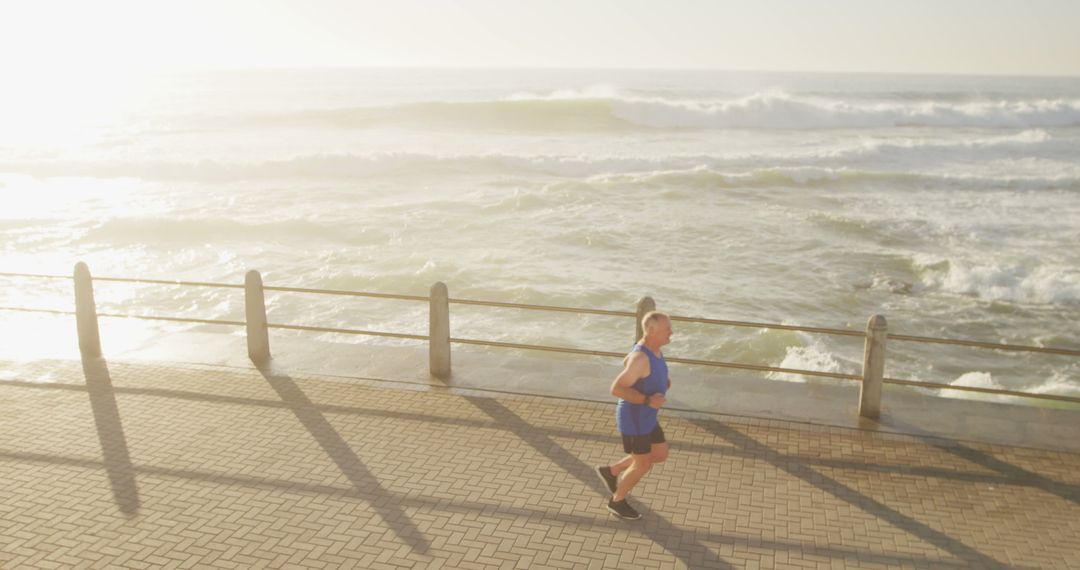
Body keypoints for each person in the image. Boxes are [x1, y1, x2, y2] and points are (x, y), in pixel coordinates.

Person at [595, 311, 672, 519]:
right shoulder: (641, 357)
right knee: (643, 464)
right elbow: (617, 388)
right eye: (667, 329)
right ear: (652, 331)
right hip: (635, 420)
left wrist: (662, 381)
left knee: (660, 454)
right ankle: (617, 501)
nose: (671, 333)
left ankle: (612, 470)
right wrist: (648, 400)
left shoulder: (653, 349)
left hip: (647, 417)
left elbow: (627, 360)